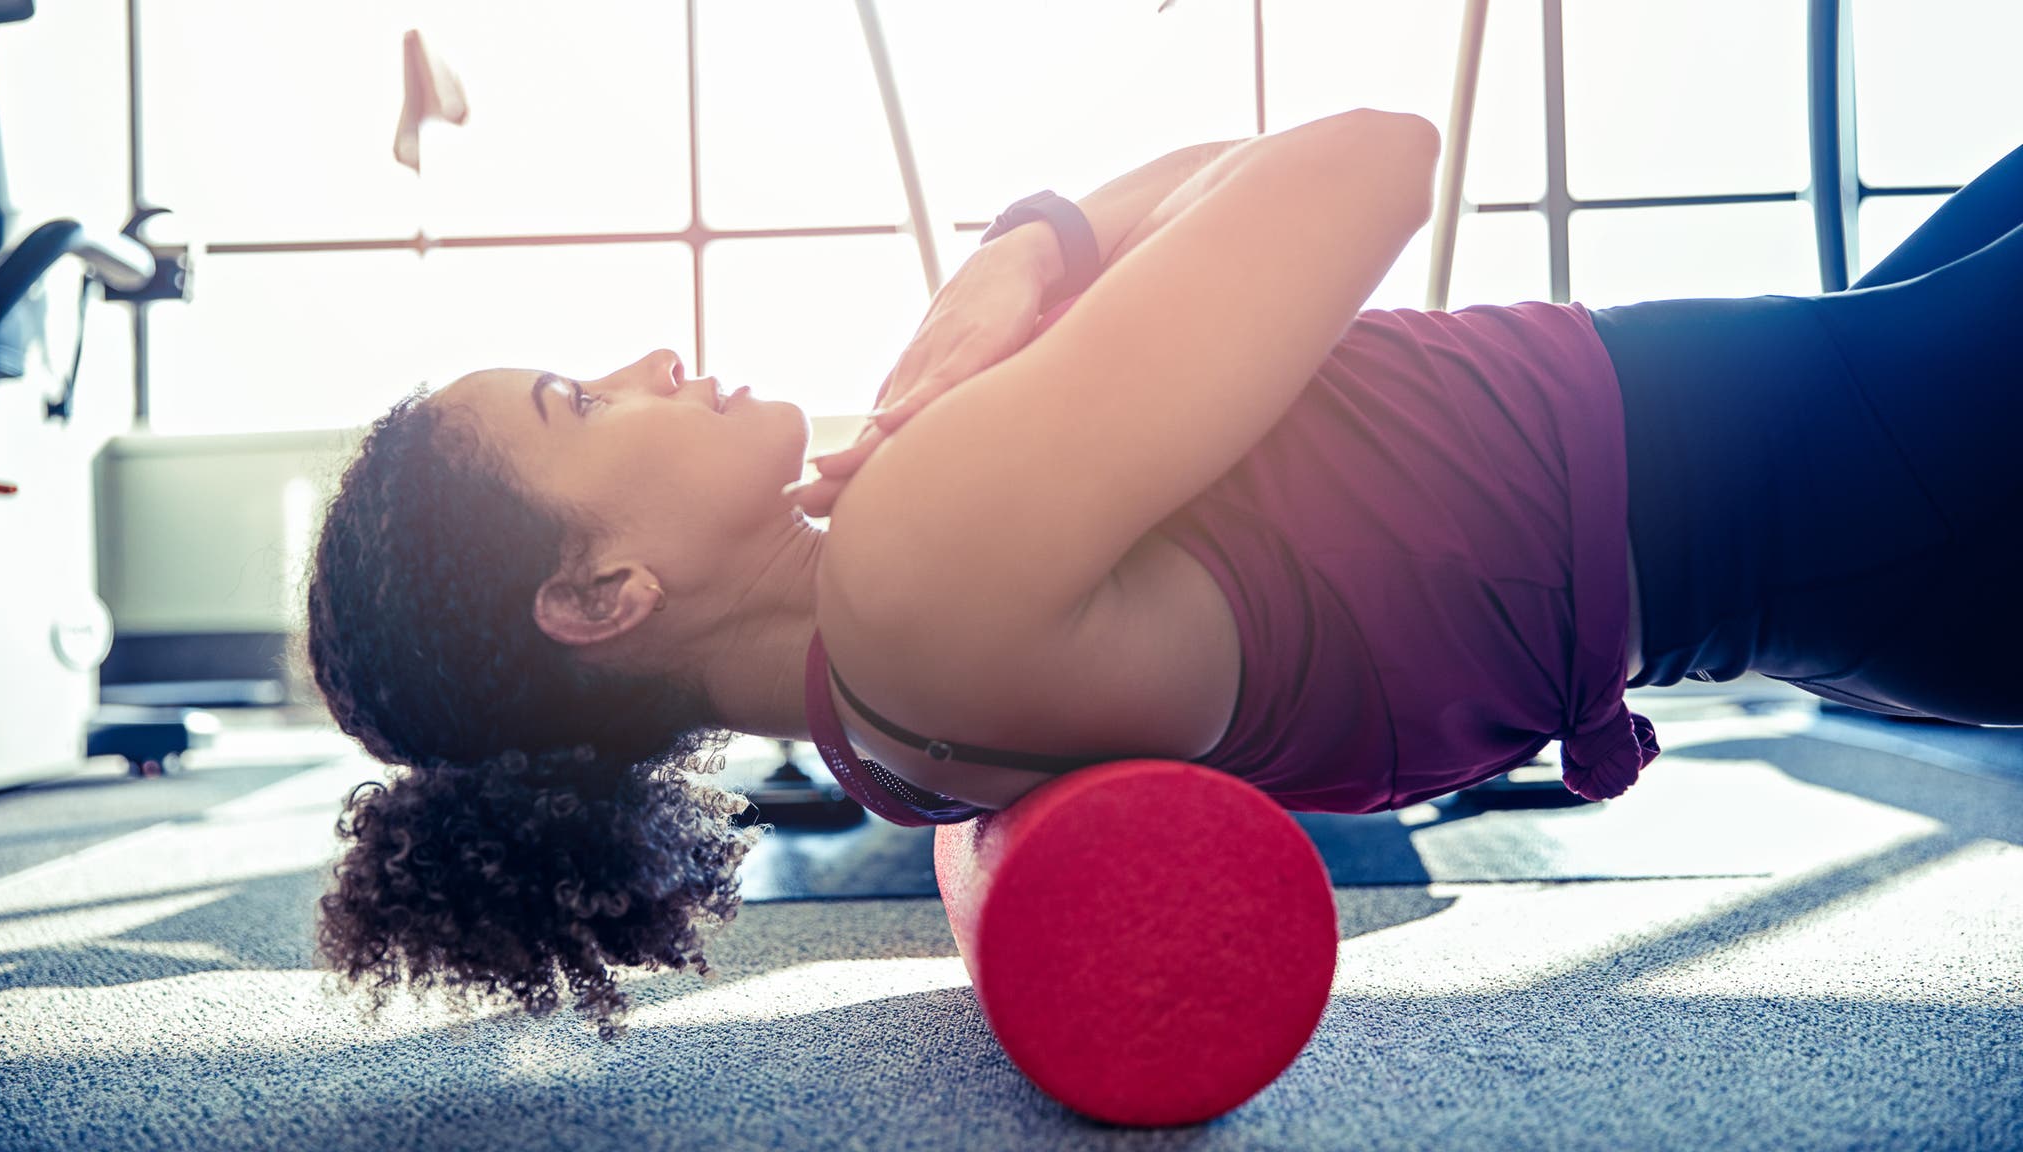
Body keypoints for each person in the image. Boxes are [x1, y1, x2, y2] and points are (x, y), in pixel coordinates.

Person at [301, 108, 2021, 1037]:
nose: (648, 361)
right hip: (1859, 483)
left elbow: (1237, 185)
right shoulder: (921, 567)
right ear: (601, 596)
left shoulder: (883, 699)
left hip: (1838, 490)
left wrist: (1028, 274)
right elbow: (1364, 158)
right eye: (577, 403)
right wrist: (1032, 256)